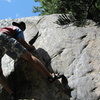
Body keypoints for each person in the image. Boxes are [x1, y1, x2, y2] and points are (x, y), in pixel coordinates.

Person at [0, 21, 55, 100]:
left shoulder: (5, 29)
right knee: (29, 57)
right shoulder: (18, 28)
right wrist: (31, 47)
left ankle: (12, 94)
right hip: (3, 37)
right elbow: (21, 40)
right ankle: (50, 76)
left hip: (3, 41)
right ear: (22, 27)